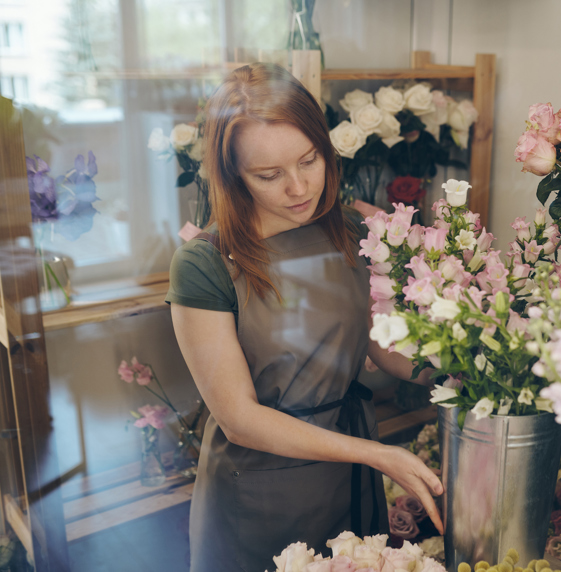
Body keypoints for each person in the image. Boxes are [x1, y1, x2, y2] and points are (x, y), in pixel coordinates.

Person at [165, 62, 443, 572]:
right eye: (268, 176)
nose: (298, 188)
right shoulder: (204, 264)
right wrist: (375, 454)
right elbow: (239, 418)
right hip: (258, 497)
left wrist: (472, 370)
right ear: (232, 176)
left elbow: (381, 347)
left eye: (309, 160)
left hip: (348, 481)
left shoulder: (351, 227)